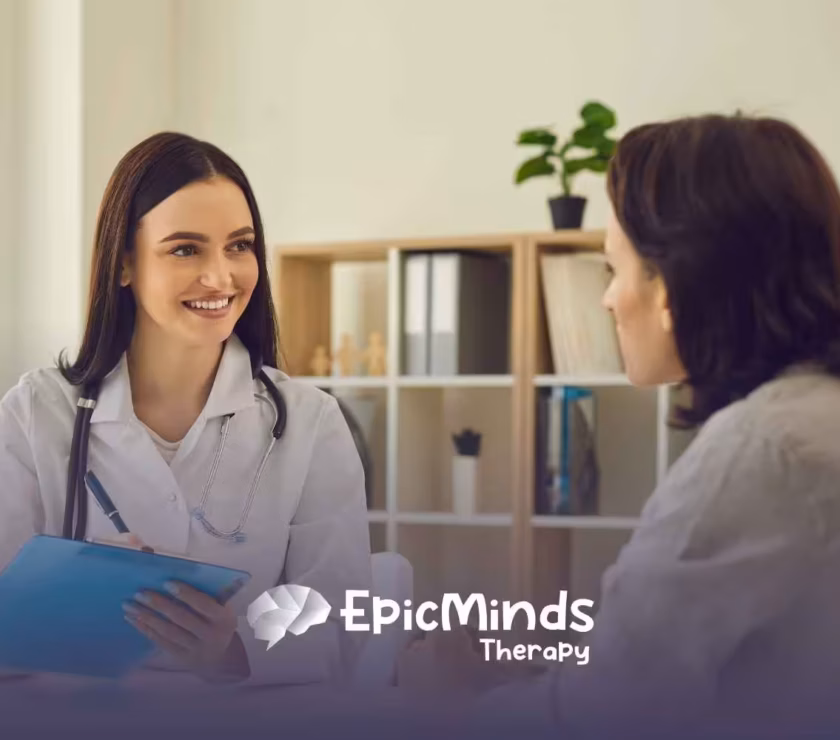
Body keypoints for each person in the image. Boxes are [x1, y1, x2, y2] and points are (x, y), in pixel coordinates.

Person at [397, 113, 840, 736]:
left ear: (669, 286)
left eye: (613, 269)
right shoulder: (815, 418)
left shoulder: (760, 452)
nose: (607, 299)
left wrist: (449, 702)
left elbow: (603, 716)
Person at [0, 132, 372, 689]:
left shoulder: (309, 422)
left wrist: (237, 649)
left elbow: (344, 618)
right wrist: (71, 597)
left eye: (239, 246)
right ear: (123, 264)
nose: (221, 277)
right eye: (185, 249)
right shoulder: (36, 413)